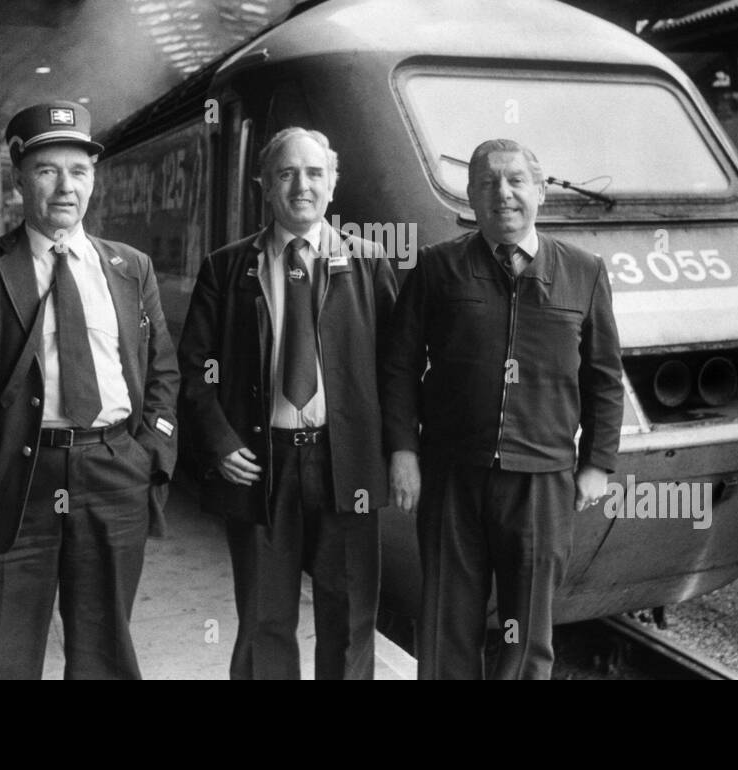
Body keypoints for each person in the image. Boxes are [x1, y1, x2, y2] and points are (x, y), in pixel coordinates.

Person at [0, 99, 179, 679]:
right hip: (12, 480)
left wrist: (150, 458)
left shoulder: (130, 267)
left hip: (113, 476)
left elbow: (163, 372)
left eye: (80, 171)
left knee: (104, 657)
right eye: (47, 170)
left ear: (94, 180)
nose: (66, 187)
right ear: (18, 179)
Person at [383, 138, 624, 679]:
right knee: (447, 622)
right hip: (451, 476)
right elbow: (397, 368)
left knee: (528, 633)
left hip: (542, 479)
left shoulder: (583, 272)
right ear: (470, 196)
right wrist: (403, 450)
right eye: (488, 182)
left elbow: (605, 378)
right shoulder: (437, 268)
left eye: (516, 181)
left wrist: (597, 464)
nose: (503, 194)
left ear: (540, 191)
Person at [178, 126, 397, 679]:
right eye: (287, 173)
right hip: (260, 464)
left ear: (333, 184)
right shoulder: (226, 269)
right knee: (264, 620)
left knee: (348, 619)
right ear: (265, 186)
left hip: (345, 465)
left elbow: (398, 372)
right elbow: (193, 371)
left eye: (315, 173)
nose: (302, 185)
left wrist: (402, 454)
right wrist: (221, 440)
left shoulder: (369, 264)